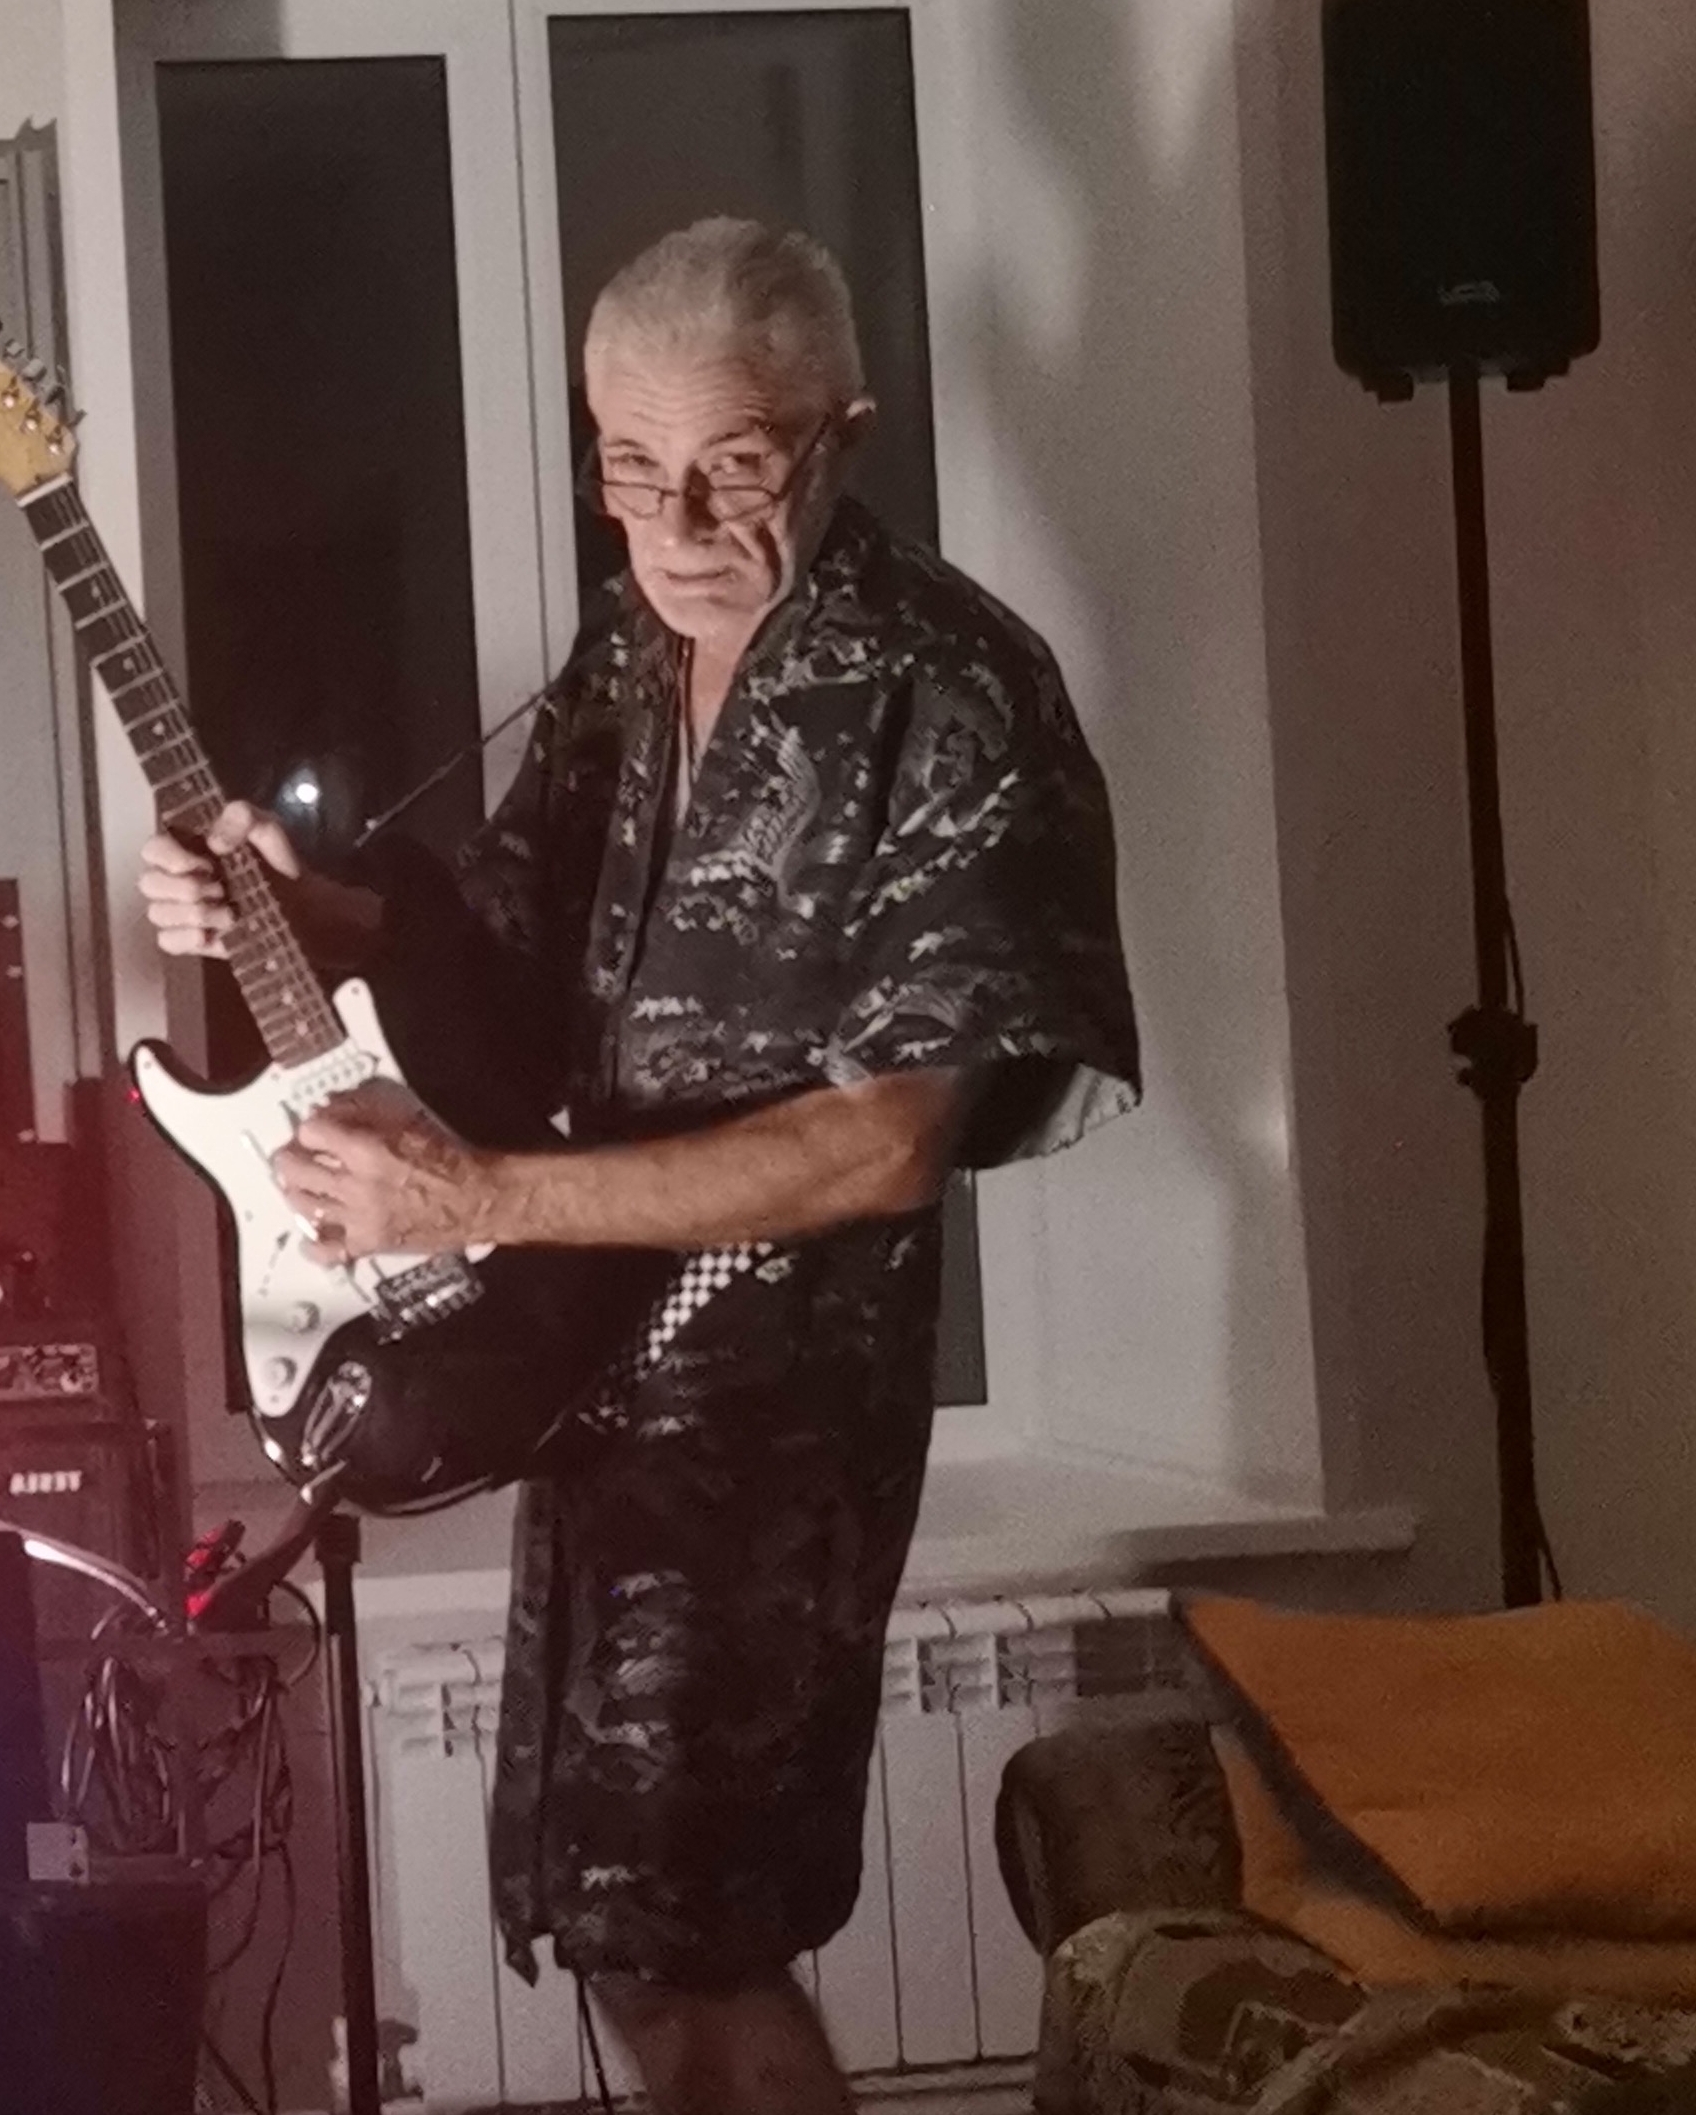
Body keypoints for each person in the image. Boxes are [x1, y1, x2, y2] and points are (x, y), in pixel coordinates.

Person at [139, 217, 1136, 2115]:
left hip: (776, 1416)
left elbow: (888, 1137)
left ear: (841, 436)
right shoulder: (629, 647)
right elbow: (505, 951)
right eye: (624, 466)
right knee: (612, 1921)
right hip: (577, 1363)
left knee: (698, 1937)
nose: (671, 524)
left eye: (730, 468)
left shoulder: (953, 691)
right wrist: (293, 902)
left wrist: (473, 1199)